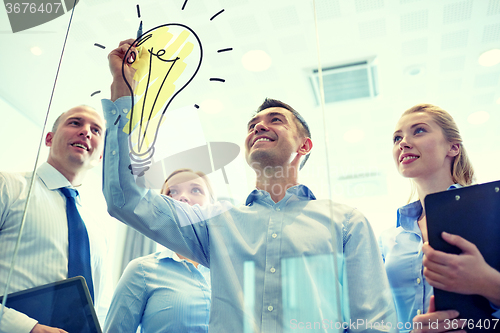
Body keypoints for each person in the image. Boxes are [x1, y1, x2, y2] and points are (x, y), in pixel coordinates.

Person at [102, 38, 397, 332]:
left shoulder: (346, 223)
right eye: (252, 124)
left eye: (276, 120)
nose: (258, 126)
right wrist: (122, 88)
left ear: (304, 145)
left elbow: (373, 324)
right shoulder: (215, 224)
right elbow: (126, 199)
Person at [379, 103, 500, 333]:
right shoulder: (388, 239)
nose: (402, 143)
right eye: (396, 138)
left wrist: (487, 282)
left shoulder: (493, 213)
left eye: (419, 130)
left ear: (453, 147)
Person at [0, 105, 109, 333]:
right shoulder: (7, 187)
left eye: (96, 130)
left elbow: (95, 306)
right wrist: (26, 328)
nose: (86, 132)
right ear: (49, 138)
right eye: (75, 123)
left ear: (100, 157)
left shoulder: (97, 229)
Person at [103, 169, 212, 333]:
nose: (183, 197)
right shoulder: (141, 271)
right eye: (172, 192)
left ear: (213, 205)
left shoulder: (235, 270)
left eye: (195, 190)